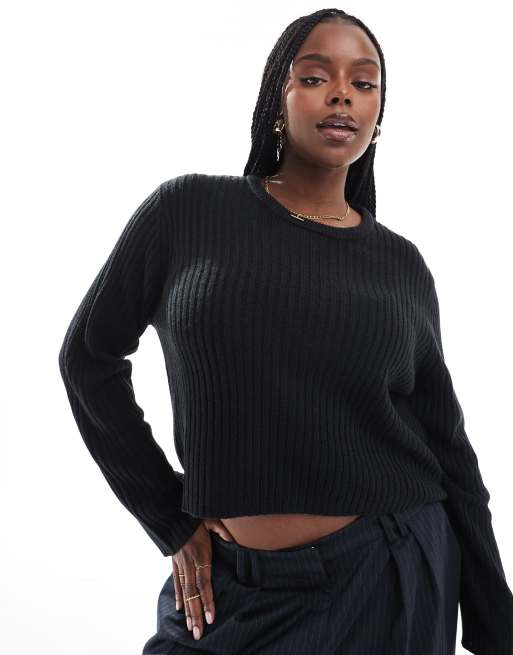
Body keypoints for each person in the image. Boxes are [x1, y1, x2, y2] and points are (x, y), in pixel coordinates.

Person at [58, 7, 513, 654]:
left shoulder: (399, 263)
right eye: (315, 77)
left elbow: (447, 444)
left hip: (384, 574)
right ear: (278, 96)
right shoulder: (188, 212)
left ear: (378, 113)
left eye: (363, 83)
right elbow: (88, 358)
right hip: (226, 589)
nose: (341, 95)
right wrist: (166, 515)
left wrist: (496, 625)